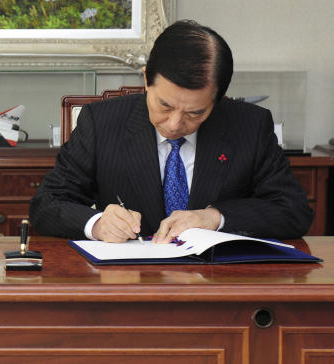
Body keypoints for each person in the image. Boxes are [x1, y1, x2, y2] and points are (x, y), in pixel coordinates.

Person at [29, 20, 313, 244]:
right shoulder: (102, 122)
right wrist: (97, 223)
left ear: (218, 99)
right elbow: (47, 204)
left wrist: (215, 217)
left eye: (195, 113)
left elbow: (294, 211)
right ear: (145, 80)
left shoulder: (249, 126)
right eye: (164, 105)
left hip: (218, 286)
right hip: (126, 286)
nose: (176, 124)